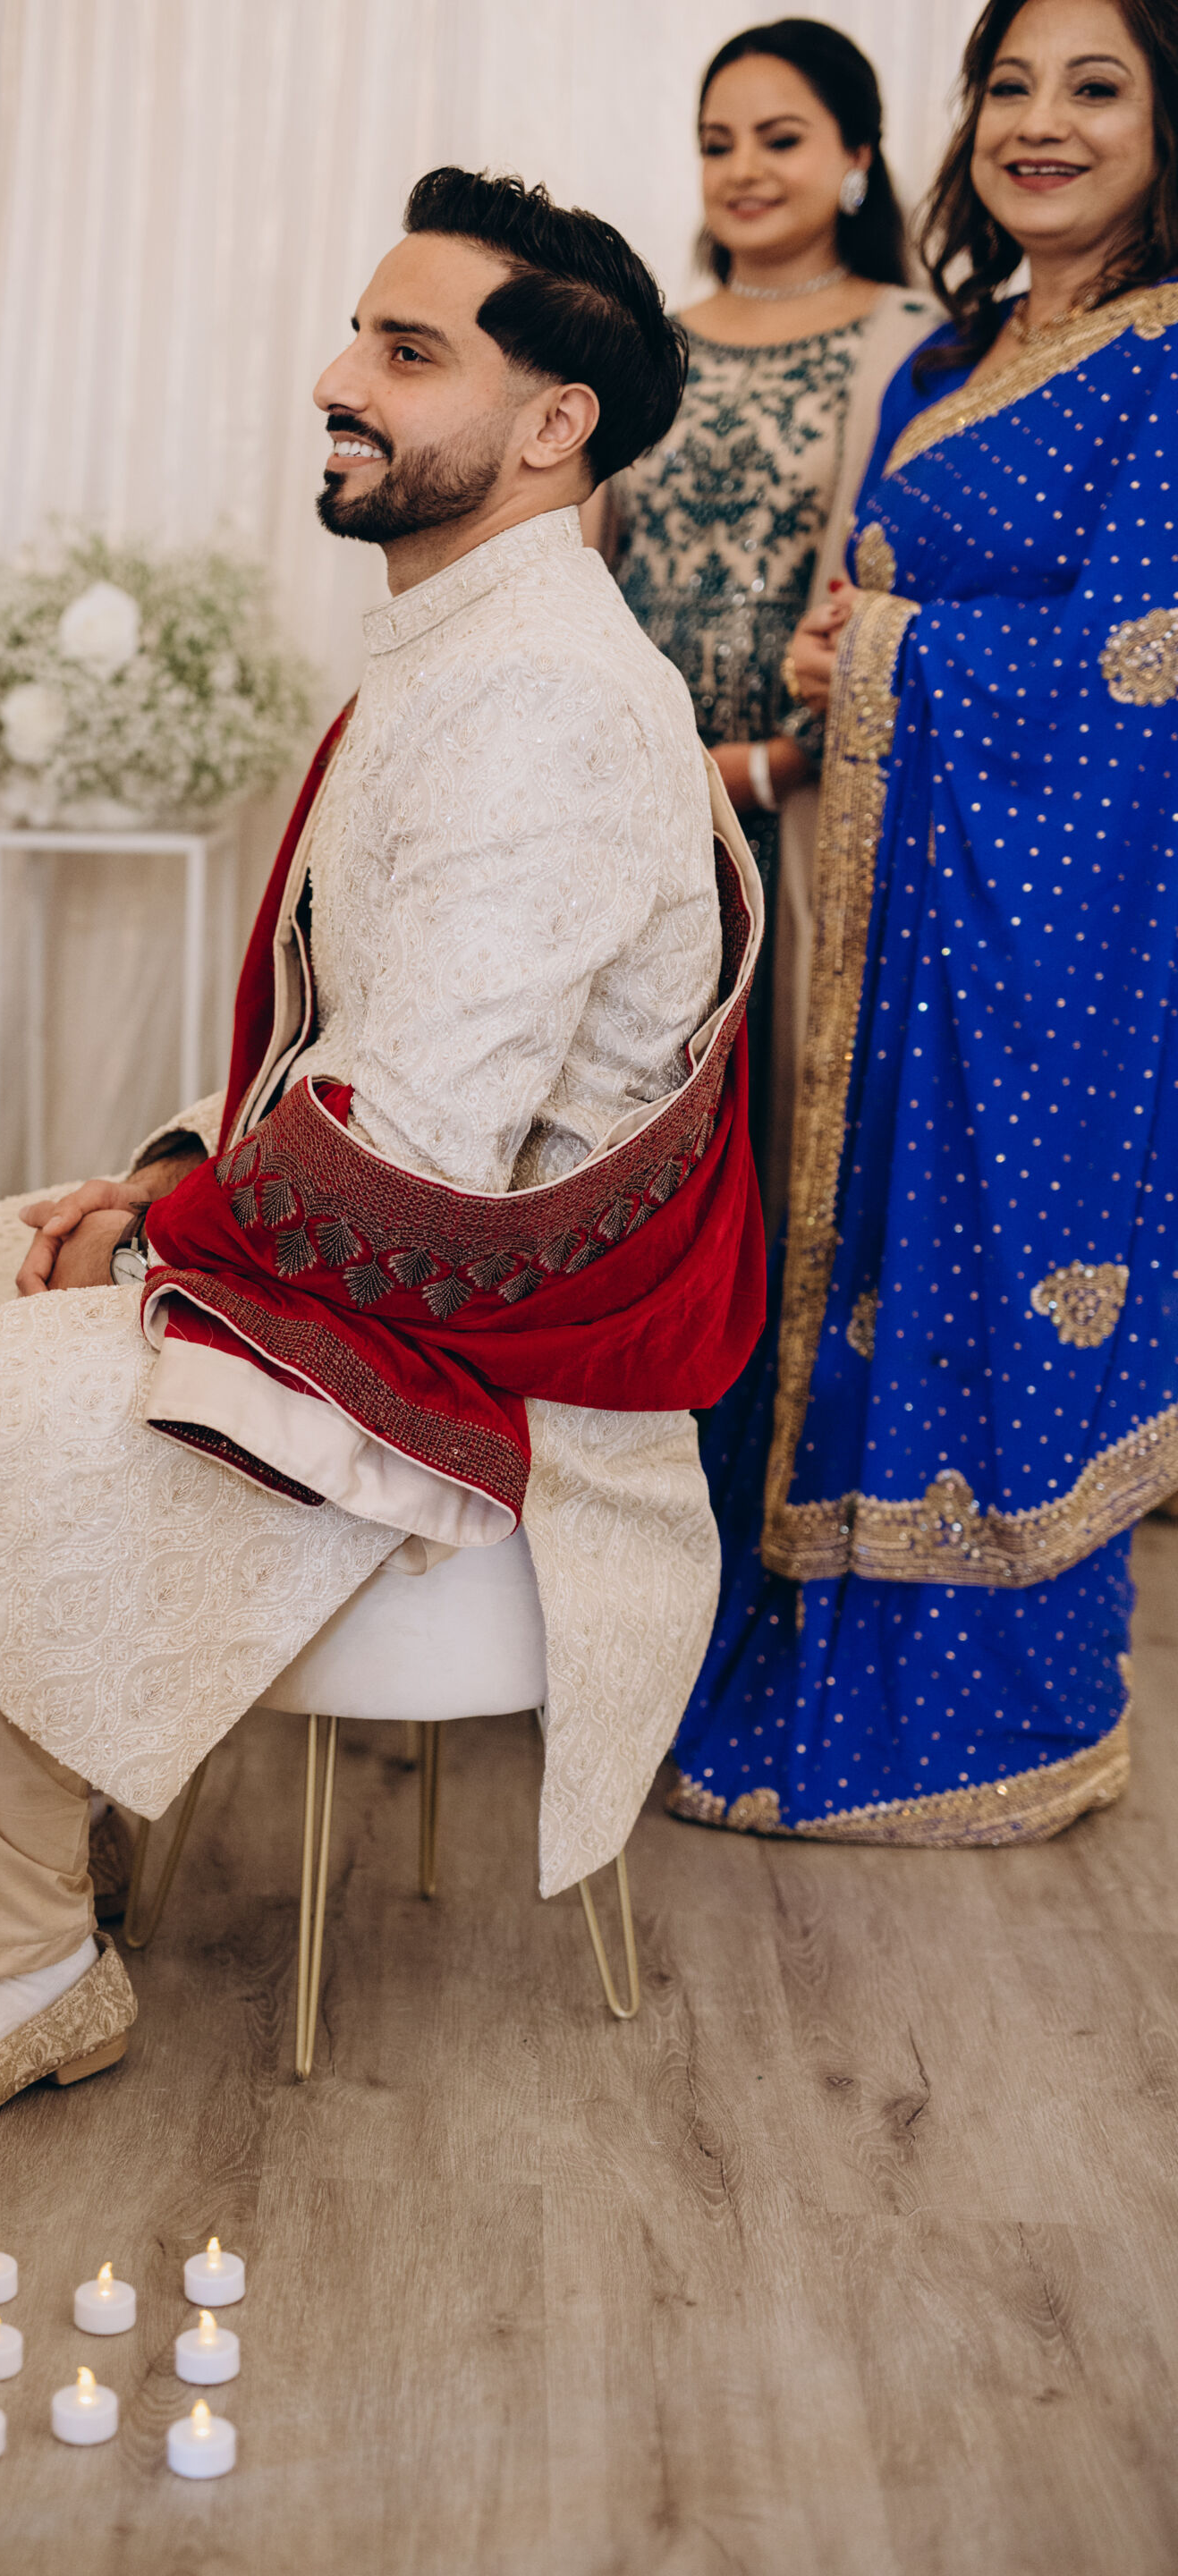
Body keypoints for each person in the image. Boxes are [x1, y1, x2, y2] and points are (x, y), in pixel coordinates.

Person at [0, 168, 767, 2147]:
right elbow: (353, 1058)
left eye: (405, 353)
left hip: (497, 1356)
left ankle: (20, 1988)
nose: (338, 380)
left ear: (553, 421)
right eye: (359, 334)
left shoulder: (544, 701)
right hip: (418, 1258)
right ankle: (31, 1855)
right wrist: (156, 1186)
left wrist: (162, 1230)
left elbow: (411, 1154)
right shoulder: (473, 642)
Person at [671, 0, 1178, 1848]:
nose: (1041, 122)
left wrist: (883, 653)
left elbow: (1142, 670)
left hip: (1050, 925)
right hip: (888, 918)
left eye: (1096, 87)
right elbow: (870, 594)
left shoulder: (1163, 363)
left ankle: (1000, 1717)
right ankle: (814, 1659)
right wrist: (845, 639)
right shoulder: (954, 360)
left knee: (986, 1255)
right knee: (844, 1258)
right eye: (1010, 86)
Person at [601, 18, 935, 1215]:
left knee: (791, 1137)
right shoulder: (644, 350)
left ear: (857, 157)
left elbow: (913, 576)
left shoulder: (923, 344)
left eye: (780, 139)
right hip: (640, 808)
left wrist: (776, 762)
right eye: (717, 143)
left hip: (817, 808)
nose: (743, 168)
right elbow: (589, 563)